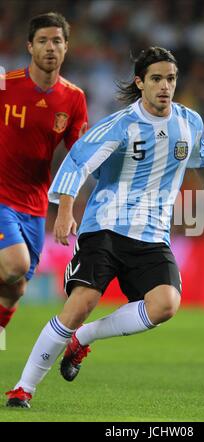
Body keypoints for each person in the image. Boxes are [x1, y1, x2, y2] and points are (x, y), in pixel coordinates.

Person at [5, 46, 204, 408]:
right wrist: (66, 211)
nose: (165, 86)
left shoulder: (189, 122)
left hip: (152, 235)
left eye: (171, 79)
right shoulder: (121, 126)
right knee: (80, 303)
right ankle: (24, 387)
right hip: (106, 228)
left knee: (165, 304)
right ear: (141, 82)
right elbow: (76, 163)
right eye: (157, 79)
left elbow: (203, 159)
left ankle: (82, 339)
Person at [0, 12, 88, 330]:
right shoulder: (5, 86)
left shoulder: (74, 98)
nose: (50, 47)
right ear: (29, 47)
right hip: (1, 197)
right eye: (42, 41)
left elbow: (78, 158)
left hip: (35, 205)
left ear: (66, 48)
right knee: (15, 264)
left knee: (16, 286)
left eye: (57, 41)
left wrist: (64, 209)